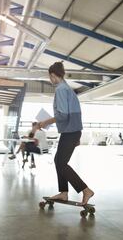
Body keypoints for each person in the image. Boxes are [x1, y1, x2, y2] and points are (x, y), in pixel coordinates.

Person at [38, 61, 94, 206]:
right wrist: (78, 134)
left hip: (70, 132)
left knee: (61, 163)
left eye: (50, 77)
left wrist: (45, 122)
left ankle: (85, 190)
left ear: (53, 75)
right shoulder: (68, 88)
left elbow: (63, 115)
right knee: (59, 161)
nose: (50, 80)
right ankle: (63, 192)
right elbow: (75, 113)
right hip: (72, 131)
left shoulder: (61, 89)